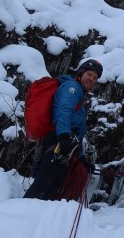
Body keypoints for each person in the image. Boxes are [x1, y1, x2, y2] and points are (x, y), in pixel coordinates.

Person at [24, 58, 102, 201]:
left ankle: (32, 213)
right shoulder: (73, 88)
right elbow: (64, 111)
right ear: (81, 73)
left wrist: (81, 159)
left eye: (95, 78)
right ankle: (21, 213)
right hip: (58, 142)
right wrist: (64, 136)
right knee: (45, 186)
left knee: (51, 187)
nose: (91, 79)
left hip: (64, 144)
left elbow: (77, 132)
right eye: (89, 74)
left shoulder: (79, 95)